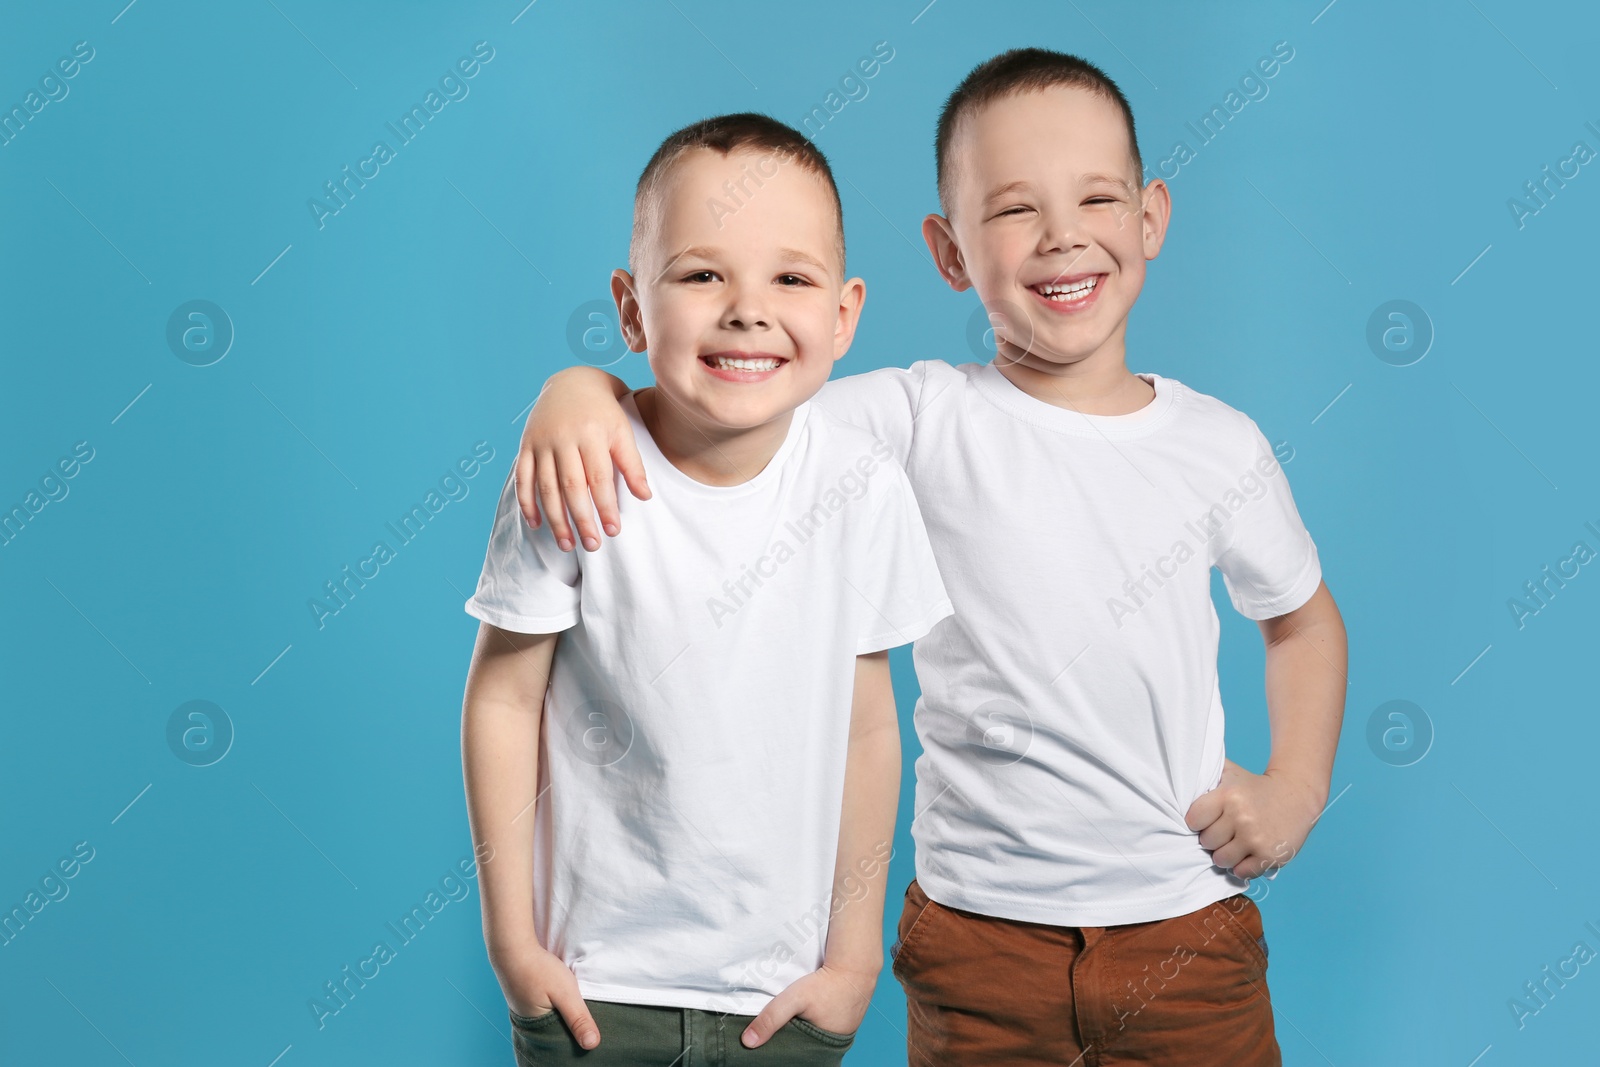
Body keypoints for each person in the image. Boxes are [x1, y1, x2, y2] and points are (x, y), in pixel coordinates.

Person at [506, 48, 1349, 1067]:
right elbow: (725, 391)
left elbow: (1302, 619)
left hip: (1184, 920)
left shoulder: (1220, 446)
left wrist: (1295, 784)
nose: (1062, 234)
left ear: (1150, 218)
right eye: (1012, 211)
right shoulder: (912, 416)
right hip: (975, 932)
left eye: (1096, 197)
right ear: (949, 252)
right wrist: (581, 387)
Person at [459, 113, 952, 1066]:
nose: (747, 309)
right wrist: (514, 944)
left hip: (783, 999)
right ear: (633, 307)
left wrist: (851, 964)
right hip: (593, 991)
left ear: (844, 314)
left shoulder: (862, 488)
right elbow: (503, 696)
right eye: (700, 273)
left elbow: (869, 730)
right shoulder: (574, 468)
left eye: (792, 278)